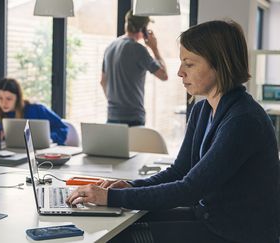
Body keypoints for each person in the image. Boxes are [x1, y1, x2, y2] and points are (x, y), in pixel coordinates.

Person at [67, 20, 280, 243]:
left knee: (121, 237)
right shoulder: (202, 110)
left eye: (189, 64)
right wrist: (131, 185)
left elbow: (190, 189)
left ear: (220, 64)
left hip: (236, 233)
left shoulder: (243, 120)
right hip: (210, 218)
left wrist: (112, 197)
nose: (179, 72)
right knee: (121, 225)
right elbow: (180, 171)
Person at [101, 10, 168, 126]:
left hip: (111, 117)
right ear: (143, 29)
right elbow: (163, 75)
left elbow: (102, 82)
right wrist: (154, 48)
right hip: (133, 119)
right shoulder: (138, 49)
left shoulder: (110, 47)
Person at [0, 78, 68, 145]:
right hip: (15, 153)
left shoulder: (37, 109)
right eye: (0, 98)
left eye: (8, 99)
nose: (4, 103)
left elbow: (63, 129)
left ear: (18, 99)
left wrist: (47, 138)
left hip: (46, 152)